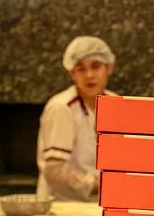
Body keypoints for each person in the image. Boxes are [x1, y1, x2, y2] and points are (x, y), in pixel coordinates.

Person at [36, 36, 117, 201]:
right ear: (72, 74)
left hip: (102, 203)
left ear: (109, 68)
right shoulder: (61, 108)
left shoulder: (117, 104)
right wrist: (97, 185)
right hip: (62, 206)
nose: (89, 75)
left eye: (96, 67)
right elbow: (54, 171)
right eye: (81, 69)